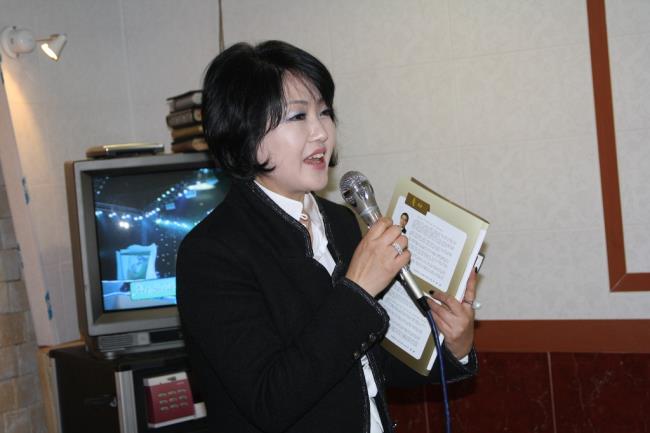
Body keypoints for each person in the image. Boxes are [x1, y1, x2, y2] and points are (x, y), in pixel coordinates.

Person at [176, 40, 479, 433]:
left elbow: (371, 365)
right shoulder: (211, 253)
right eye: (298, 116)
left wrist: (454, 344)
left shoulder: (340, 221)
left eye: (324, 112)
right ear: (245, 131)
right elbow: (271, 400)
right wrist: (358, 288)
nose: (321, 132)